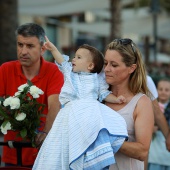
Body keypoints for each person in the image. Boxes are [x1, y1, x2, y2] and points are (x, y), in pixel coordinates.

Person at [33, 37, 128, 169]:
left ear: (90, 66)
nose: (73, 59)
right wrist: (53, 49)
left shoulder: (97, 80)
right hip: (69, 115)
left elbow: (104, 94)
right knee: (61, 146)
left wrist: (116, 99)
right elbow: (61, 61)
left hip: (88, 115)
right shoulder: (70, 74)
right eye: (74, 56)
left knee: (88, 140)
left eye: (78, 57)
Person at [0, 23, 64, 166]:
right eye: (20, 45)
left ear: (42, 49)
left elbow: (55, 105)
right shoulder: (5, 69)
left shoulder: (54, 71)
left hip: (43, 155)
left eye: (29, 46)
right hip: (12, 153)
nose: (23, 51)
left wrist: (46, 133)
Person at [103, 38, 154, 170]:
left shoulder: (141, 103)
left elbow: (142, 152)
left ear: (131, 68)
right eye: (105, 63)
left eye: (114, 65)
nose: (107, 69)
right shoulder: (97, 97)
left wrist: (107, 139)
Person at [148, 78, 170, 170]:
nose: (163, 92)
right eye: (160, 89)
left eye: (167, 90)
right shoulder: (150, 105)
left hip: (167, 154)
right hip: (154, 154)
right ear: (156, 90)